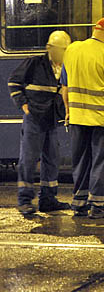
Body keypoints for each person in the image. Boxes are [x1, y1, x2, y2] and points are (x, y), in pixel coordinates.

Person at [60, 17, 104, 219]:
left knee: (81, 161)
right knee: (103, 162)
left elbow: (64, 88)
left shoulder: (72, 51)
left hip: (77, 118)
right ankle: (99, 206)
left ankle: (79, 203)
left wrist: (68, 112)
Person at [8, 30, 72, 215]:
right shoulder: (35, 63)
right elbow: (14, 82)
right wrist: (24, 106)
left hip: (51, 120)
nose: (63, 53)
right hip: (35, 119)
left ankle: (48, 200)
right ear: (49, 48)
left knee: (52, 160)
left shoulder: (65, 66)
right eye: (60, 49)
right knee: (28, 160)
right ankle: (25, 200)